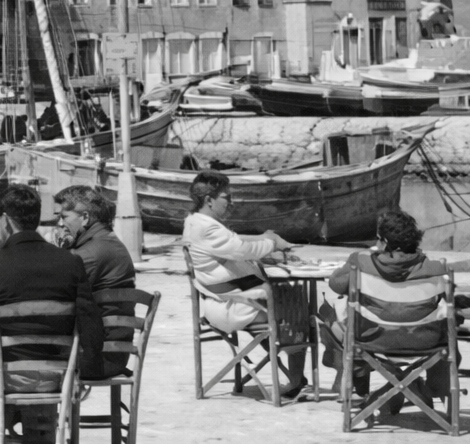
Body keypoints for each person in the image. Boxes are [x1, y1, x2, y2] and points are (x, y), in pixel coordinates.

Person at [0, 185, 104, 444]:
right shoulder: (70, 262)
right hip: (58, 374)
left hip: (7, 374)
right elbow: (91, 323)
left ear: (6, 221)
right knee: (11, 367)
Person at [183, 171, 308, 398]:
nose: (231, 202)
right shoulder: (208, 228)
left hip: (225, 300)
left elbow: (234, 243)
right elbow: (241, 250)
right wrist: (271, 243)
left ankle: (294, 376)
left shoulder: (195, 223)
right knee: (297, 307)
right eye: (226, 197)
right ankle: (296, 378)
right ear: (209, 200)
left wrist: (266, 241)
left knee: (289, 298)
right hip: (231, 306)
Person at [321, 209, 454, 409]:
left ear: (383, 241)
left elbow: (335, 285)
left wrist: (359, 259)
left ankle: (358, 382)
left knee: (329, 313)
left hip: (373, 338)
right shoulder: (435, 268)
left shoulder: (362, 262)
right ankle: (432, 387)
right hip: (424, 340)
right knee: (447, 323)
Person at [53, 185, 136, 377]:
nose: (59, 223)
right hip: (111, 352)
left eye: (64, 217)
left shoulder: (88, 254)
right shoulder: (107, 241)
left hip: (96, 357)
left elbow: (54, 295)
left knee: (21, 355)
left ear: (85, 217)